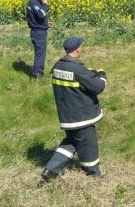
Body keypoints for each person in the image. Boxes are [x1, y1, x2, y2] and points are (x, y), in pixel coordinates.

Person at [41, 37, 107, 181]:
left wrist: (87, 72)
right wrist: (102, 75)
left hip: (67, 115)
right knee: (89, 144)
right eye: (81, 46)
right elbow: (98, 86)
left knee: (72, 142)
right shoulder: (77, 69)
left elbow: (74, 78)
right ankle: (93, 174)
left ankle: (50, 170)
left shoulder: (58, 65)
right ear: (77, 49)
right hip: (82, 116)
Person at [26, 0, 51, 79]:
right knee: (40, 54)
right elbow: (41, 15)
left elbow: (37, 18)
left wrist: (46, 23)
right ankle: (36, 75)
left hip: (40, 30)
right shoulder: (33, 3)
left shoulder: (35, 2)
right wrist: (45, 4)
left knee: (41, 53)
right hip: (38, 32)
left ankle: (40, 72)